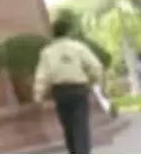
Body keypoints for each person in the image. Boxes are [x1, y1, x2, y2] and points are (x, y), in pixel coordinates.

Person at [34, 16, 104, 154]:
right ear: (68, 31)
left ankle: (74, 151)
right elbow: (96, 67)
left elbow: (42, 76)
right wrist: (93, 81)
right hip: (78, 89)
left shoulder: (47, 52)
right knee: (80, 126)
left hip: (60, 92)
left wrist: (39, 95)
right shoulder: (78, 47)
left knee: (68, 127)